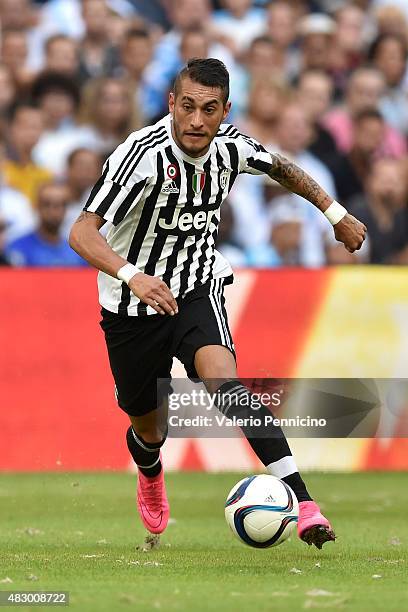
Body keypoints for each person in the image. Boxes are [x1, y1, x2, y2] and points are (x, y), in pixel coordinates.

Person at [69, 58, 366, 549]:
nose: (197, 121)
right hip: (131, 302)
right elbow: (81, 233)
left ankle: (305, 503)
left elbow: (284, 168)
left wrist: (336, 214)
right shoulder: (141, 155)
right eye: (187, 107)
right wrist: (133, 275)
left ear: (225, 110)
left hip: (197, 289)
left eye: (209, 109)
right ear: (172, 104)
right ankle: (150, 469)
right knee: (148, 425)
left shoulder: (230, 148)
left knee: (229, 389)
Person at [7, 182, 86, 267]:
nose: (54, 212)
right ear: (37, 207)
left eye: (61, 205)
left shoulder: (77, 253)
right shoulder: (18, 248)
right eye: (47, 204)